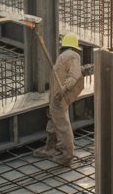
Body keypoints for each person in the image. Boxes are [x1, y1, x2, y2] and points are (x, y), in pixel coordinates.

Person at [34, 33, 84, 167]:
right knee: (53, 123)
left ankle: (67, 154)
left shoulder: (72, 55)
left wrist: (64, 88)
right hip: (55, 98)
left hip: (59, 97)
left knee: (62, 126)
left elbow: (75, 75)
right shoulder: (65, 57)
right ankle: (50, 148)